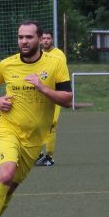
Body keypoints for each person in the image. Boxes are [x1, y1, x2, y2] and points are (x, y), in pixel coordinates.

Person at [0, 21, 72, 217]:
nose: (24, 41)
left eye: (29, 37)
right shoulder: (7, 64)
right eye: (20, 37)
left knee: (9, 188)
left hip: (35, 138)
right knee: (5, 174)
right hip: (7, 128)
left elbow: (67, 99)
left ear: (39, 39)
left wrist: (43, 88)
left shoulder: (55, 63)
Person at [36, 30, 68, 166]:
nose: (46, 41)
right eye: (43, 38)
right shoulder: (37, 54)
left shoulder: (59, 55)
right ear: (40, 40)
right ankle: (37, 153)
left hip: (54, 95)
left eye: (48, 38)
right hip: (39, 96)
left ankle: (49, 156)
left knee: (51, 124)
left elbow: (60, 74)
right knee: (35, 123)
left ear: (52, 40)